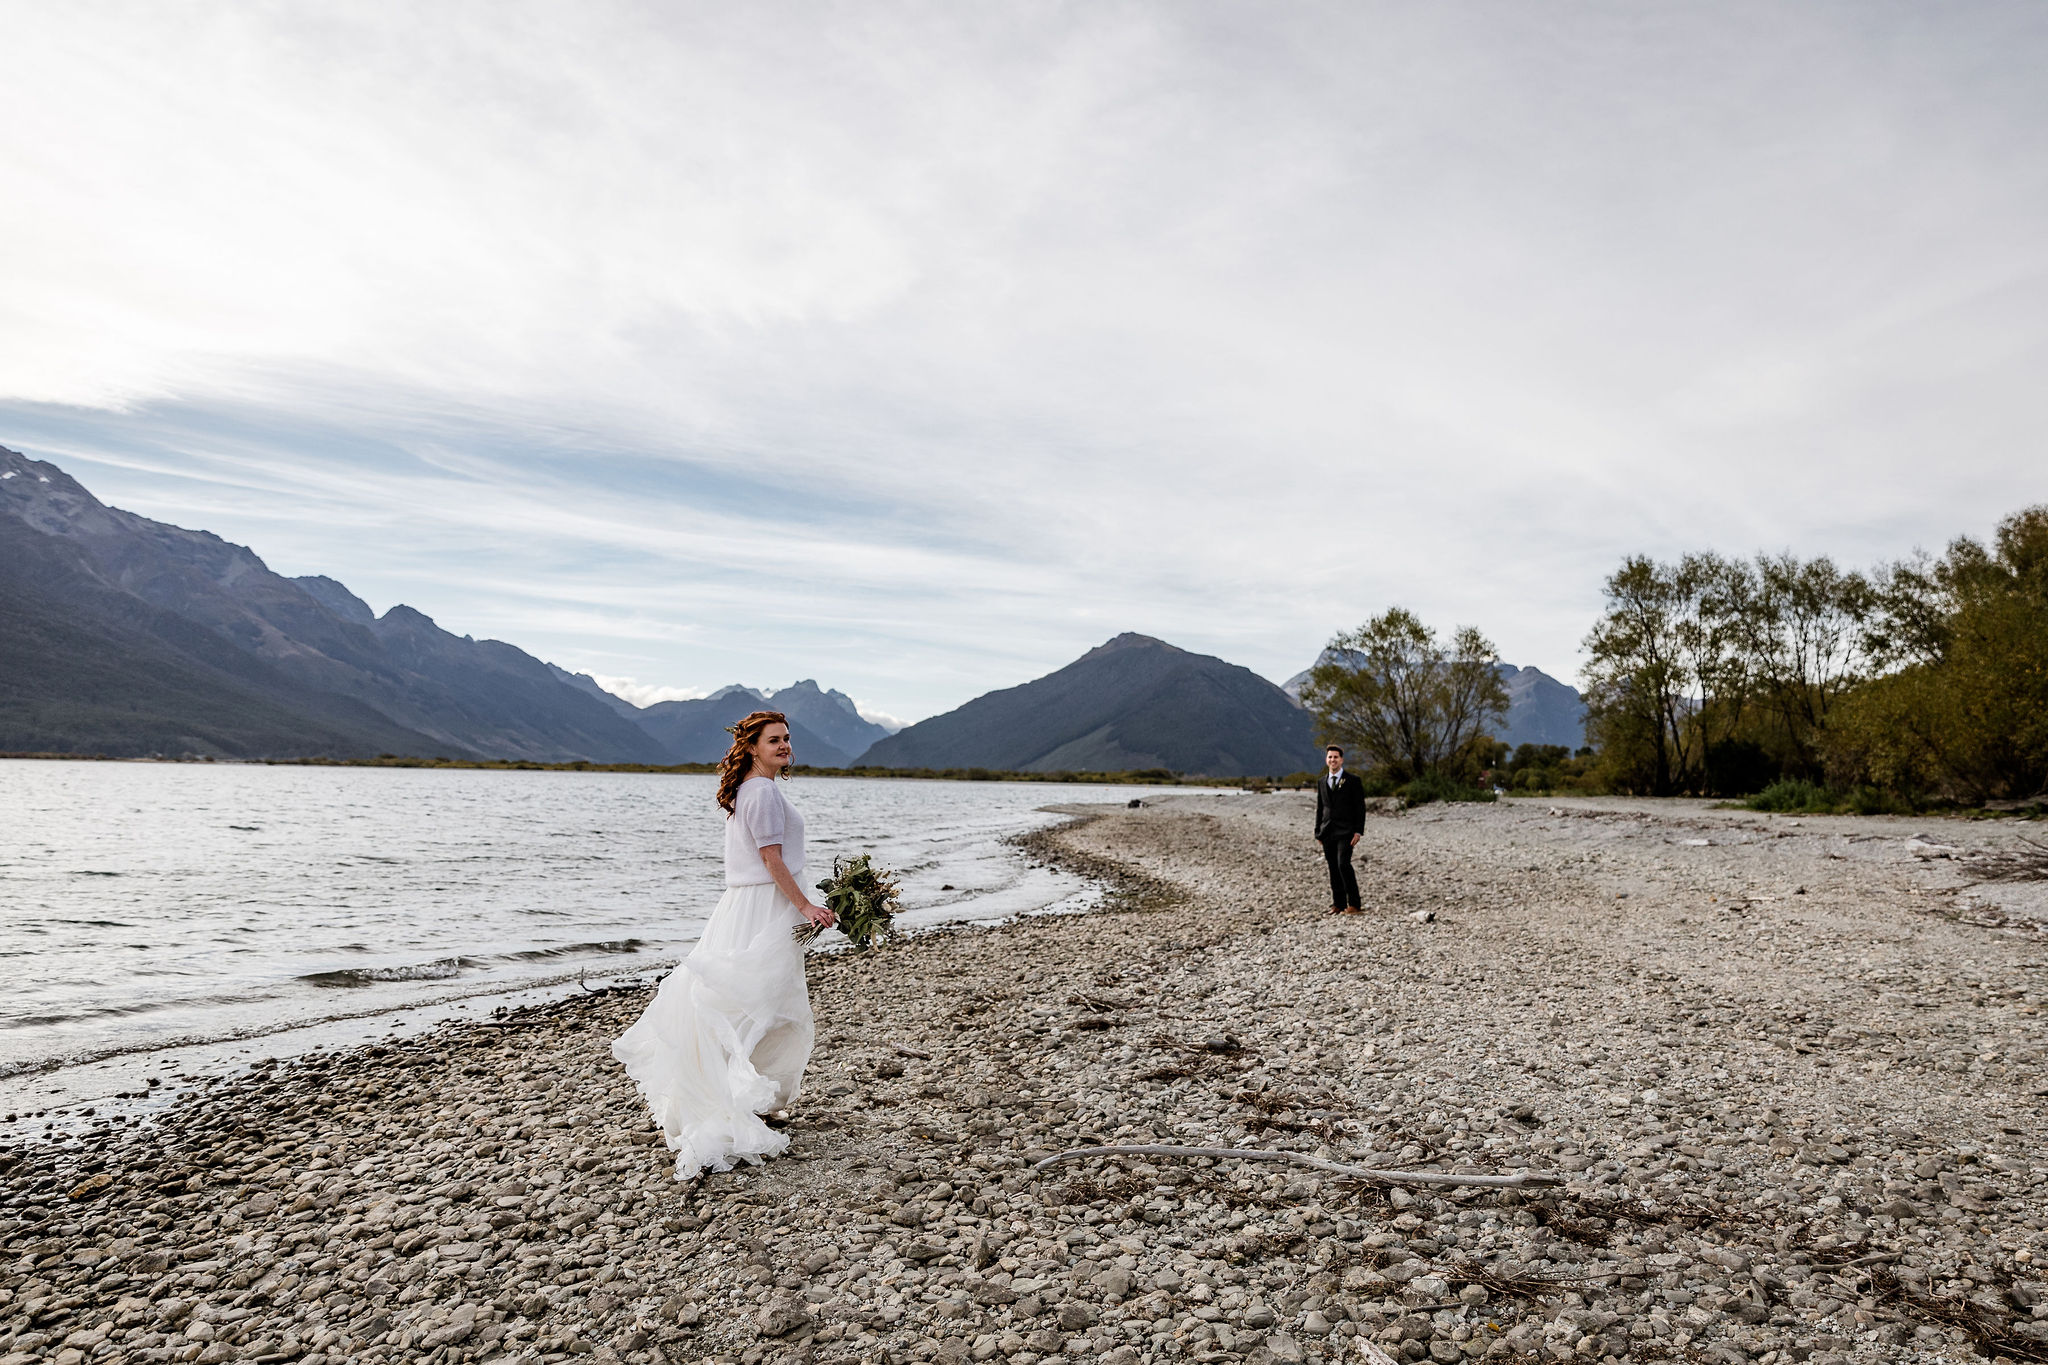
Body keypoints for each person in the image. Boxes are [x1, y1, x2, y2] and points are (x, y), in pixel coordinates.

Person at [612, 710, 836, 1179]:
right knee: (767, 1005)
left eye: (787, 738)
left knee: (760, 1002)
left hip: (751, 905)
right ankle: (741, 1101)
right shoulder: (761, 791)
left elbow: (772, 860)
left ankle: (751, 1098)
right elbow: (771, 859)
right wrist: (805, 907)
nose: (785, 746)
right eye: (774, 740)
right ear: (751, 747)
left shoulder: (753, 790)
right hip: (763, 907)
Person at [1313, 744, 1366, 914]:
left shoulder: (1353, 781)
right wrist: (1317, 832)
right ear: (1326, 760)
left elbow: (1360, 807)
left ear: (1341, 760)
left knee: (1343, 864)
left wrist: (1358, 830)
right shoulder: (1322, 781)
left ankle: (1355, 904)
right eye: (1330, 757)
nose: (1333, 760)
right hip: (1327, 830)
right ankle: (1338, 904)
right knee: (1333, 867)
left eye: (1336, 757)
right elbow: (1320, 808)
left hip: (1347, 830)